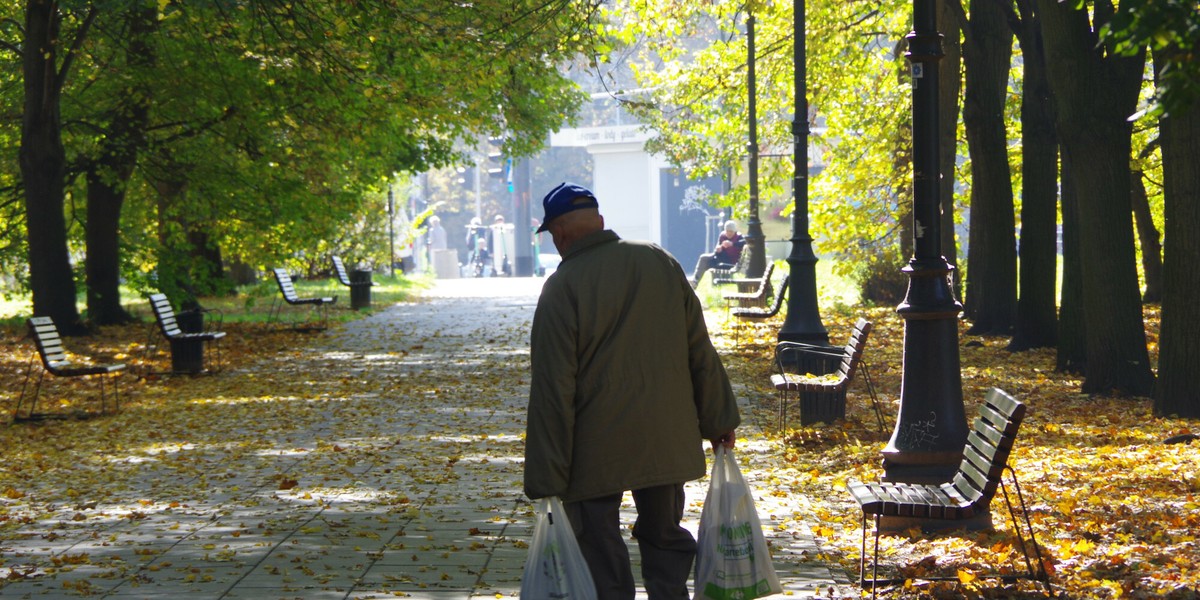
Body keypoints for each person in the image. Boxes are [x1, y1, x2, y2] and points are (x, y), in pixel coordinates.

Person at [524, 182, 741, 600]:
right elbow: (699, 347)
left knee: (596, 540)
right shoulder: (659, 261)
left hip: (594, 445)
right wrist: (719, 420)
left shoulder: (562, 287)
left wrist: (546, 476)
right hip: (665, 434)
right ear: (600, 223)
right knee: (664, 533)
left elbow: (553, 388)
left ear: (560, 234)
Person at [691, 219, 746, 286]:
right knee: (703, 258)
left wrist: (732, 244)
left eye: (731, 231)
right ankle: (695, 281)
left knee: (710, 263)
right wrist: (718, 250)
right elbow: (717, 250)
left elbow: (744, 242)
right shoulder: (722, 236)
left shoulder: (739, 237)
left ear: (734, 231)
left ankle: (716, 285)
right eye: (727, 231)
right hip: (720, 258)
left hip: (731, 262)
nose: (729, 233)